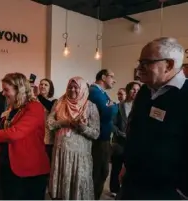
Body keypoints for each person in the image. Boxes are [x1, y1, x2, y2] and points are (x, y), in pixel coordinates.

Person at [118, 37, 188, 199]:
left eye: (145, 63)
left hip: (167, 192)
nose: (138, 68)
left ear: (169, 65)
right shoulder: (144, 92)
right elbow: (134, 129)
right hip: (133, 183)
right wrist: (126, 165)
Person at [0, 73, 50, 200]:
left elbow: (14, 133)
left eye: (6, 90)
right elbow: (3, 134)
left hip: (29, 171)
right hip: (9, 167)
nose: (3, 94)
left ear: (19, 89)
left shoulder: (35, 107)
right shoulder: (14, 109)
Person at [47, 76, 100, 200]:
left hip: (80, 156)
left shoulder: (90, 106)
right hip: (61, 153)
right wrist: (64, 122)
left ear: (82, 89)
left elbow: (96, 133)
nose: (72, 90)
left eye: (76, 87)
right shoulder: (59, 102)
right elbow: (49, 123)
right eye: (70, 87)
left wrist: (82, 127)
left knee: (77, 189)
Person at [88, 69, 118, 200]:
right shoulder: (95, 92)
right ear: (104, 77)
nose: (114, 80)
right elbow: (106, 115)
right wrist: (114, 106)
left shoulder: (101, 93)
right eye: (112, 77)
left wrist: (111, 106)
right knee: (99, 172)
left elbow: (108, 110)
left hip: (103, 138)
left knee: (102, 171)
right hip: (99, 140)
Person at [109, 81, 140, 197]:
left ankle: (127, 190)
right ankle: (114, 189)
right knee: (116, 167)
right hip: (119, 142)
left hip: (133, 143)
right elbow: (112, 124)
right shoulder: (118, 106)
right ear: (128, 91)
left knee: (130, 168)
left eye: (137, 90)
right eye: (133, 90)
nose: (135, 92)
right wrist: (120, 133)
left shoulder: (140, 107)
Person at [37, 78, 57, 160]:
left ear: (50, 88)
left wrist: (39, 96)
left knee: (46, 158)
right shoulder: (35, 99)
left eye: (46, 85)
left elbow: (50, 108)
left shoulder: (55, 101)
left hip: (48, 134)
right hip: (37, 132)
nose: (43, 86)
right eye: (41, 84)